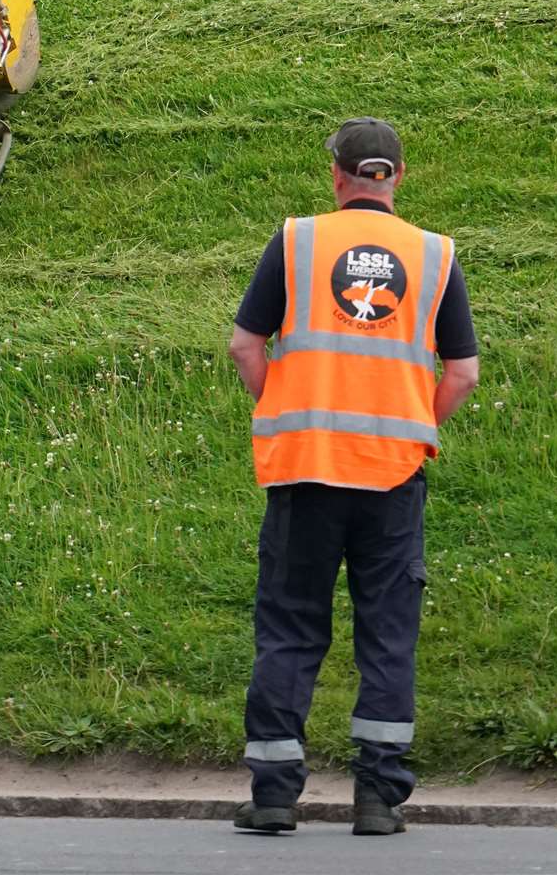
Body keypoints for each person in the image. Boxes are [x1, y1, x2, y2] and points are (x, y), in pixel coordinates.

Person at [227, 117, 479, 837]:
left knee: (290, 629)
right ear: (397, 176)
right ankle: (376, 800)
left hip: (305, 469)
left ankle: (274, 796)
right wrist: (412, 422)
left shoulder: (299, 241)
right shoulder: (433, 256)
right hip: (391, 475)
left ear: (334, 175)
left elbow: (246, 346)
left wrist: (282, 405)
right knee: (387, 634)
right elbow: (460, 374)